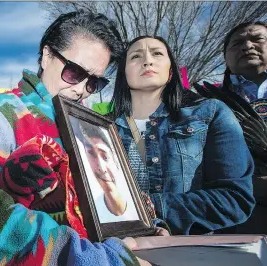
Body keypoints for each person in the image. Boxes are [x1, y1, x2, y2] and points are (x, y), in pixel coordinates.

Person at [0, 10, 154, 266]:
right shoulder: (8, 109)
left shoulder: (88, 126)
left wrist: (145, 226)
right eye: (74, 72)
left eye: (94, 83)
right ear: (47, 55)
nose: (81, 89)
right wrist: (87, 258)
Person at [110, 36, 255, 235]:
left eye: (157, 53)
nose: (147, 60)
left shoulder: (211, 113)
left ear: (171, 72)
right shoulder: (102, 128)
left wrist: (148, 209)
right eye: (135, 56)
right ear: (124, 73)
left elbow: (235, 199)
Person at [211, 21, 267, 234]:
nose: (247, 46)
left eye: (257, 39)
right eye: (237, 43)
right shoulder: (204, 103)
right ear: (225, 58)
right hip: (236, 218)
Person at [79, 122, 128, 217]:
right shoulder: (90, 212)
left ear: (116, 160)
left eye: (105, 157)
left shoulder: (139, 202)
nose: (101, 168)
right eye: (92, 155)